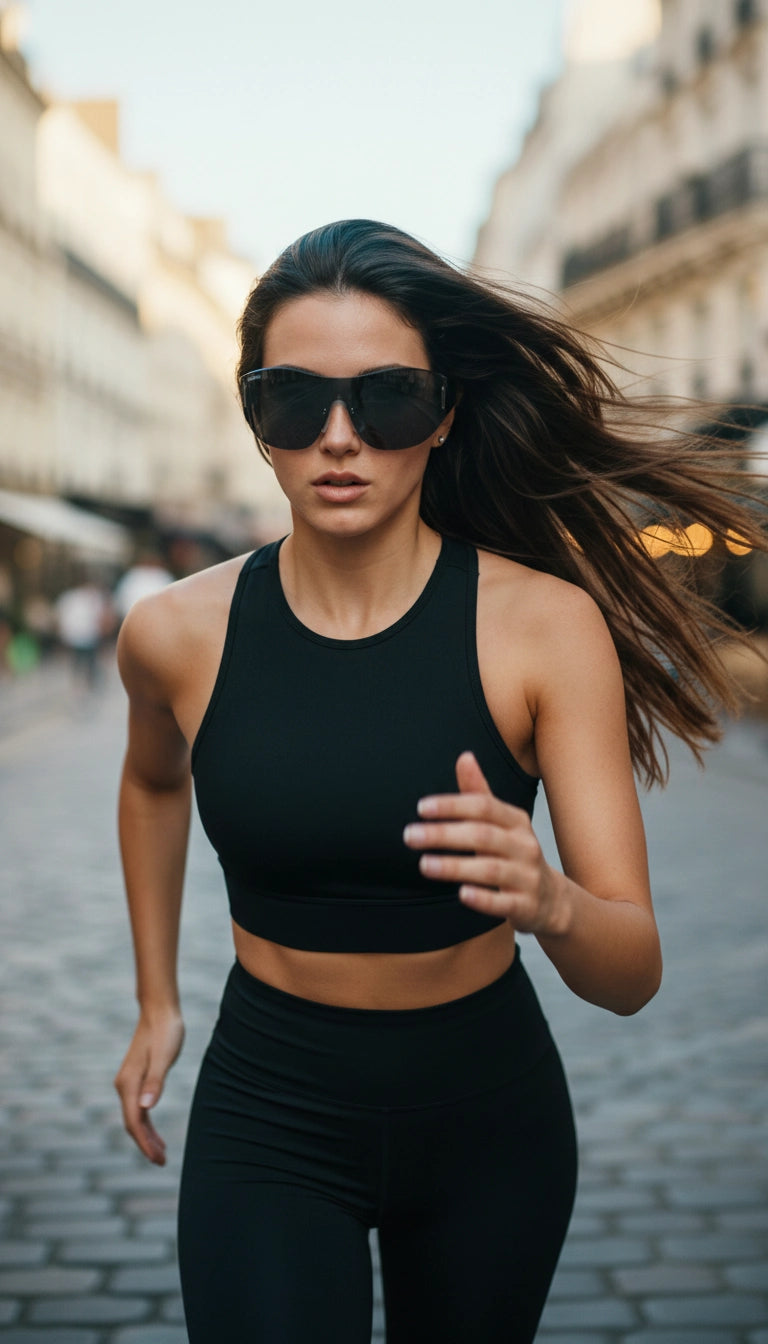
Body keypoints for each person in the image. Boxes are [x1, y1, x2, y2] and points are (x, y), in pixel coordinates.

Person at [113, 220, 766, 1344]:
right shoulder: (175, 636)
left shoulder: (546, 630)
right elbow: (153, 786)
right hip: (269, 1110)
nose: (339, 439)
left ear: (445, 414)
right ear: (255, 420)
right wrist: (157, 1000)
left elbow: (632, 976)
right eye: (293, 401)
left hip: (487, 1121)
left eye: (387, 400)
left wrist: (551, 898)